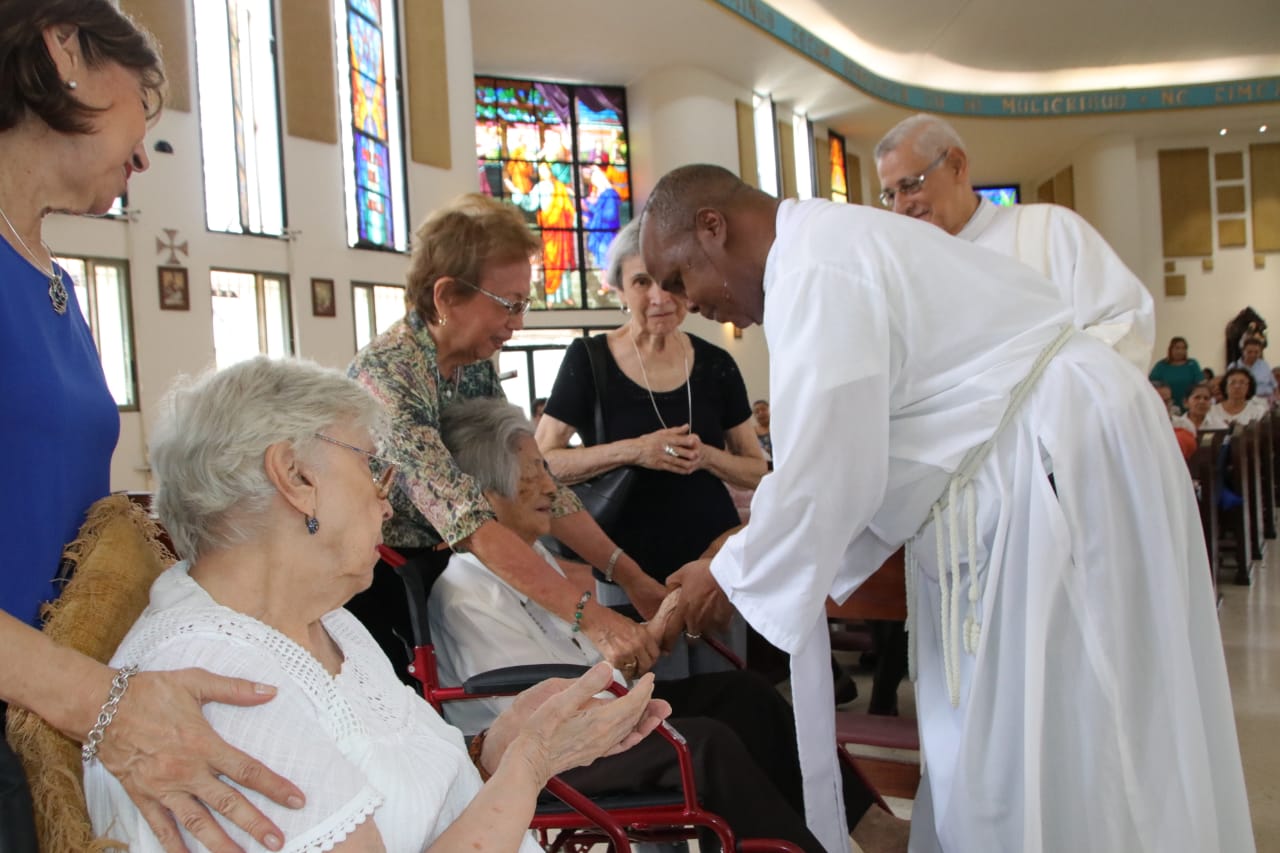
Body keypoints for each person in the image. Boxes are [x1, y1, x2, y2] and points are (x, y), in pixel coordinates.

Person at [639, 164, 1253, 853]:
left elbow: (828, 468)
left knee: (1083, 720)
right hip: (1050, 451)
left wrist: (726, 576)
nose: (680, 301)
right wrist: (744, 546)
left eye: (677, 277)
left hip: (1051, 462)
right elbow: (850, 447)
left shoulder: (815, 270)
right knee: (1041, 728)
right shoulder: (820, 248)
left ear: (712, 227)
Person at [84, 357, 670, 851]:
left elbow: (410, 793)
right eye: (370, 466)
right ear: (293, 476)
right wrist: (532, 764)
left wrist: (502, 745)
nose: (387, 506)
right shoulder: (220, 679)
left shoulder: (328, 622)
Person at [0, 5, 305, 850]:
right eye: (144, 99)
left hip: (47, 711)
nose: (144, 151)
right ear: (65, 50)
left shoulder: (55, 285)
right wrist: (106, 704)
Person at [429, 398, 909, 853]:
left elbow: (581, 666)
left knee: (746, 696)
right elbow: (532, 711)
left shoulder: (534, 559)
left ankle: (869, 828)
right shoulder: (465, 593)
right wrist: (633, 652)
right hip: (542, 755)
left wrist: (648, 635)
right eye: (532, 471)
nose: (552, 488)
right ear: (486, 493)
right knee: (704, 745)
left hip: (596, 714)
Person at [348, 194, 664, 684]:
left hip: (468, 561)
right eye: (509, 305)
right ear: (447, 296)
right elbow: (468, 517)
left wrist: (631, 577)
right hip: (389, 580)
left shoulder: (472, 364)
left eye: (524, 304)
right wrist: (594, 618)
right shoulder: (389, 376)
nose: (518, 324)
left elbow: (540, 483)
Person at [535, 219, 767, 676]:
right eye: (642, 282)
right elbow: (544, 462)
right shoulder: (589, 360)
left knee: (727, 688)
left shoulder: (717, 363)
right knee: (650, 699)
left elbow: (758, 470)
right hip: (625, 563)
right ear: (618, 288)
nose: (659, 297)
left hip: (713, 559)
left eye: (671, 283)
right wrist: (634, 450)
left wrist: (708, 456)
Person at [874, 114, 1154, 372]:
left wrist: (1046, 386)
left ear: (957, 165)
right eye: (890, 195)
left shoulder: (1048, 230)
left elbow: (1126, 324)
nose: (900, 207)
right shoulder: (904, 271)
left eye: (910, 186)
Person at [1149, 336, 1205, 412]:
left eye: (1183, 348)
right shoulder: (1161, 366)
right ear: (1171, 349)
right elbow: (1152, 385)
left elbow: (1201, 384)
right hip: (1166, 407)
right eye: (1177, 348)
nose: (1180, 351)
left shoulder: (1192, 364)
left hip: (1190, 407)